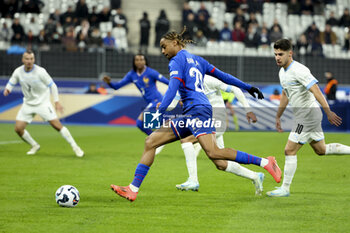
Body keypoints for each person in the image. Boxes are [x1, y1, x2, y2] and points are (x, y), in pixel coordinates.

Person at [110, 28, 282, 202]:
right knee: (151, 141)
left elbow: (172, 87)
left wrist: (160, 111)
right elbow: (225, 76)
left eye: (164, 47)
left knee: (214, 153)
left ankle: (266, 162)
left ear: (175, 43)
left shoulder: (177, 60)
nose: (163, 51)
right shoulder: (199, 60)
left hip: (198, 111)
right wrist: (248, 87)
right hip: (192, 113)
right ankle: (132, 189)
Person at [266, 39, 350, 197]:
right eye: (275, 54)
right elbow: (285, 94)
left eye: (281, 54)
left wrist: (328, 111)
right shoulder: (282, 72)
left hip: (307, 116)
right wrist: (278, 115)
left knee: (289, 150)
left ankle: (285, 188)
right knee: (321, 150)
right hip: (305, 115)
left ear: (290, 54)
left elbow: (316, 90)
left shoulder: (299, 70)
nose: (277, 57)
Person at [176, 74, 265, 195]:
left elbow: (235, 89)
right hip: (206, 121)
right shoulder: (184, 84)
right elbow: (176, 103)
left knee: (186, 139)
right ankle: (255, 176)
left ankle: (193, 180)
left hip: (218, 121)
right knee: (221, 164)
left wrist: (248, 110)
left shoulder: (208, 79)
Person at [3, 50, 84, 157]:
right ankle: (34, 145)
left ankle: (75, 147)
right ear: (23, 60)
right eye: (27, 59)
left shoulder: (40, 72)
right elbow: (11, 82)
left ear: (34, 60)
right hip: (28, 104)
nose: (29, 61)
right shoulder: (18, 71)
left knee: (57, 126)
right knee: (18, 128)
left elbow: (53, 85)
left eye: (31, 59)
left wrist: (56, 101)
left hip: (43, 103)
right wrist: (8, 89)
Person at [102, 54, 169, 154]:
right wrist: (109, 83)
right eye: (137, 60)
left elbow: (167, 82)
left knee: (140, 121)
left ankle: (157, 140)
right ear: (134, 62)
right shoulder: (132, 75)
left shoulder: (151, 72)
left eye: (141, 59)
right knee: (141, 124)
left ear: (145, 61)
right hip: (150, 102)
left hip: (157, 100)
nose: (139, 61)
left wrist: (179, 88)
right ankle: (160, 140)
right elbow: (117, 86)